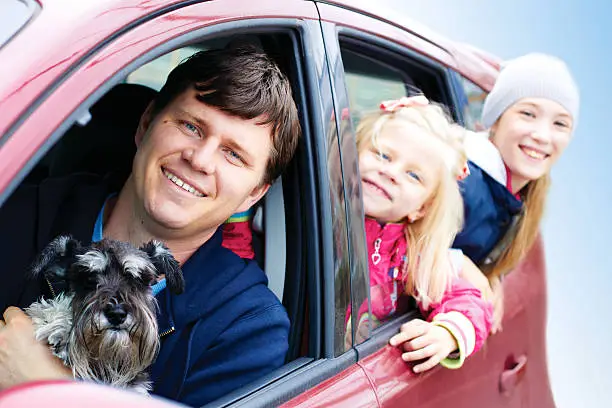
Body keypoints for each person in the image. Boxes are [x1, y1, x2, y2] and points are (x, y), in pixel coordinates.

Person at [0, 43, 301, 406]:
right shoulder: (12, 211)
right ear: (145, 125)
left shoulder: (248, 328)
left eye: (233, 154)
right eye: (191, 126)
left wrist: (49, 389)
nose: (200, 159)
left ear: (254, 192)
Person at [347, 95, 493, 373]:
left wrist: (449, 333)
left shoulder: (410, 256)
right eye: (383, 155)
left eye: (414, 176)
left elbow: (468, 300)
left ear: (422, 208)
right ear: (355, 149)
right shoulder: (310, 206)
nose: (390, 172)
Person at [453, 53, 580, 330]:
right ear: (495, 119)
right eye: (528, 114)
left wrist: (489, 273)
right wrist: (459, 265)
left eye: (560, 123)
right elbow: (398, 252)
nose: (543, 135)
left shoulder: (516, 199)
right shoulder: (461, 178)